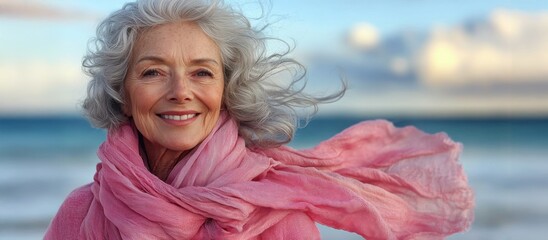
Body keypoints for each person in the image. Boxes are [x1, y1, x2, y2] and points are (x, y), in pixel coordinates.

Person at [45, 0, 474, 239]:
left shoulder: (276, 217)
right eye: (153, 72)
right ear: (123, 92)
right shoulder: (82, 211)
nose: (180, 91)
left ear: (226, 92)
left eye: (202, 72)